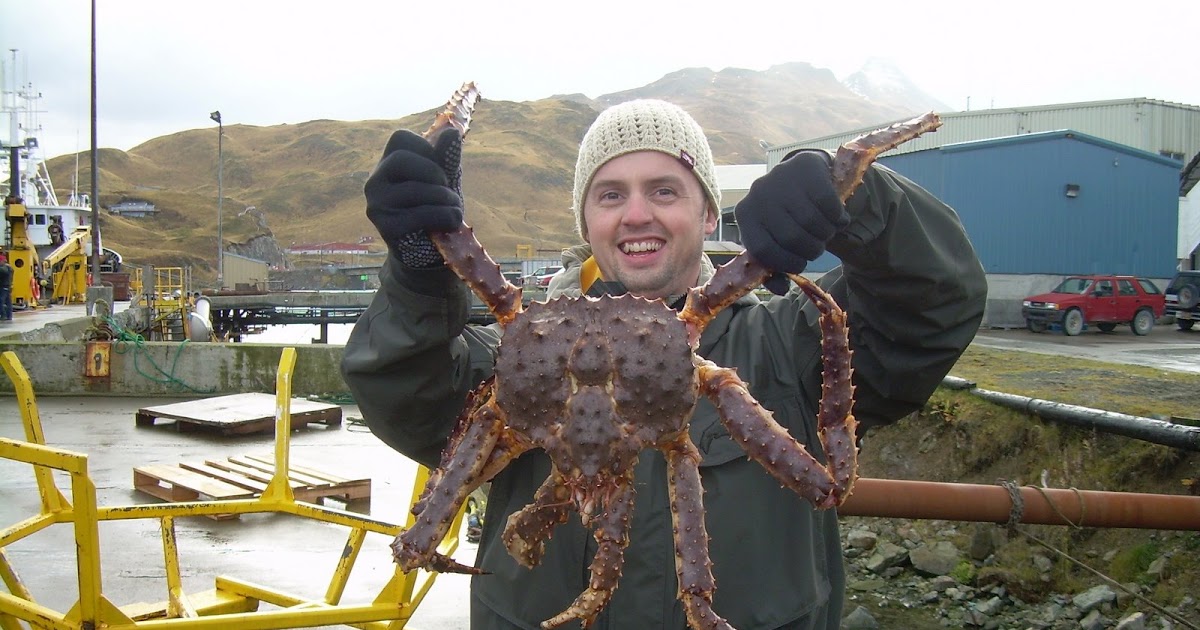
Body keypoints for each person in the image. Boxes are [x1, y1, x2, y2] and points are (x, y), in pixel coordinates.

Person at [341, 99, 987, 629]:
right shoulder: (515, 357)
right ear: (587, 220)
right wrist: (420, 280)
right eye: (611, 194)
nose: (637, 214)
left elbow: (931, 305)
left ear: (709, 213)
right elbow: (407, 393)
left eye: (664, 190)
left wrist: (858, 199)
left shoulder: (787, 349)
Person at [0, 253, 13, 321]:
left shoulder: (3, 269)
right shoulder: (9, 268)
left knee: (1, 301)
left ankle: (3, 315)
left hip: (3, 286)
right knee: (8, 302)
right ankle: (9, 316)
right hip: (8, 286)